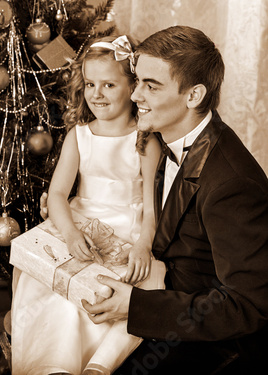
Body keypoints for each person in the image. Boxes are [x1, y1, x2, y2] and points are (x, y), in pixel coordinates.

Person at [75, 26, 268, 374]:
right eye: (137, 81)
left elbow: (247, 306)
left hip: (208, 342)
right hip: (159, 295)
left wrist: (136, 307)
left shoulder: (232, 184)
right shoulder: (161, 140)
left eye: (151, 85)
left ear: (193, 95)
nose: (135, 96)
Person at [11, 35, 166, 375]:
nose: (97, 94)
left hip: (128, 225)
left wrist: (143, 244)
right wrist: (69, 234)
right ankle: (52, 365)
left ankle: (99, 364)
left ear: (133, 87)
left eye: (109, 84)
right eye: (91, 84)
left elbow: (154, 207)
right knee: (49, 288)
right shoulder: (79, 134)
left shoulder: (145, 139)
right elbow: (57, 195)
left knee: (140, 282)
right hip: (80, 221)